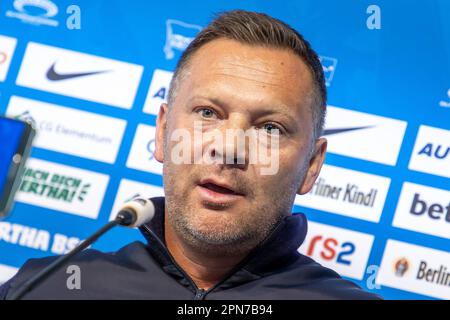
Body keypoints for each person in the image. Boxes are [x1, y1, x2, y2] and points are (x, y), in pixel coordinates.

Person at [0, 10, 381, 300]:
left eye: (269, 128)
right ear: (163, 132)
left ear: (311, 166)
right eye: (207, 114)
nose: (229, 148)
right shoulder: (44, 288)